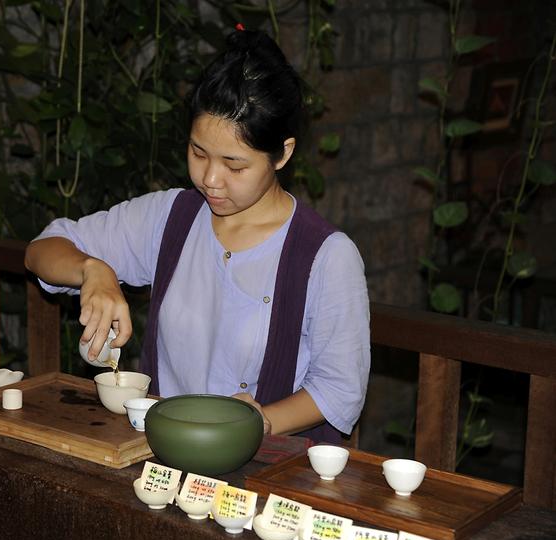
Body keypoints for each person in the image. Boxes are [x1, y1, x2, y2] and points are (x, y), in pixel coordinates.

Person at [24, 28, 370, 443]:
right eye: (198, 153)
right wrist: (91, 269)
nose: (210, 179)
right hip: (164, 462)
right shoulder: (172, 217)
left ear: (283, 153)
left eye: (235, 166)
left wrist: (260, 421)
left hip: (264, 478)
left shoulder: (325, 255)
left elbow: (340, 389)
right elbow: (42, 249)